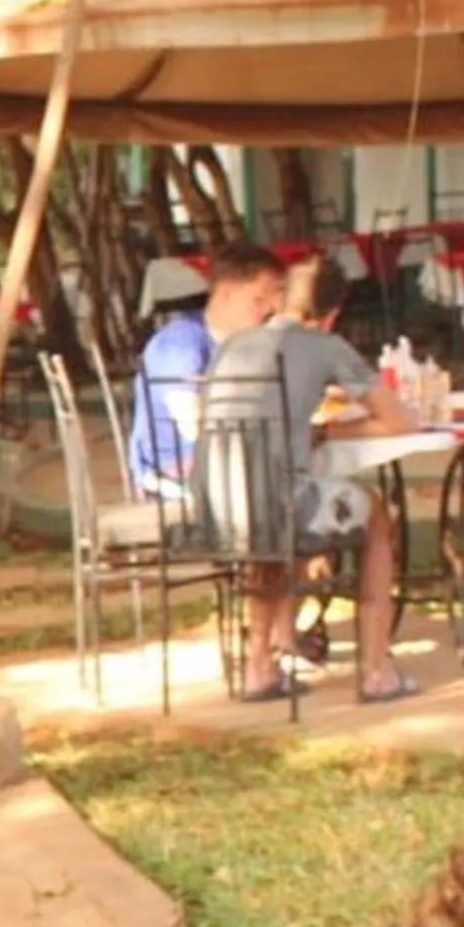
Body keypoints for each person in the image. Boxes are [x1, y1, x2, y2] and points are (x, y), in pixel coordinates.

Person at [204, 250, 420, 703]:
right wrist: (335, 428)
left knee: (269, 529)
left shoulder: (234, 346)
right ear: (332, 313)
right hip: (280, 505)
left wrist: (311, 428)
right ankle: (378, 670)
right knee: (377, 516)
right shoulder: (326, 346)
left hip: (216, 503)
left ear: (281, 298)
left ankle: (258, 667)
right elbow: (399, 421)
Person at [127, 241, 286, 498]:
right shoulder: (180, 342)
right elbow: (194, 424)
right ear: (227, 294)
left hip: (228, 464)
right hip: (174, 474)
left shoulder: (239, 343)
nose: (270, 309)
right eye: (260, 298)